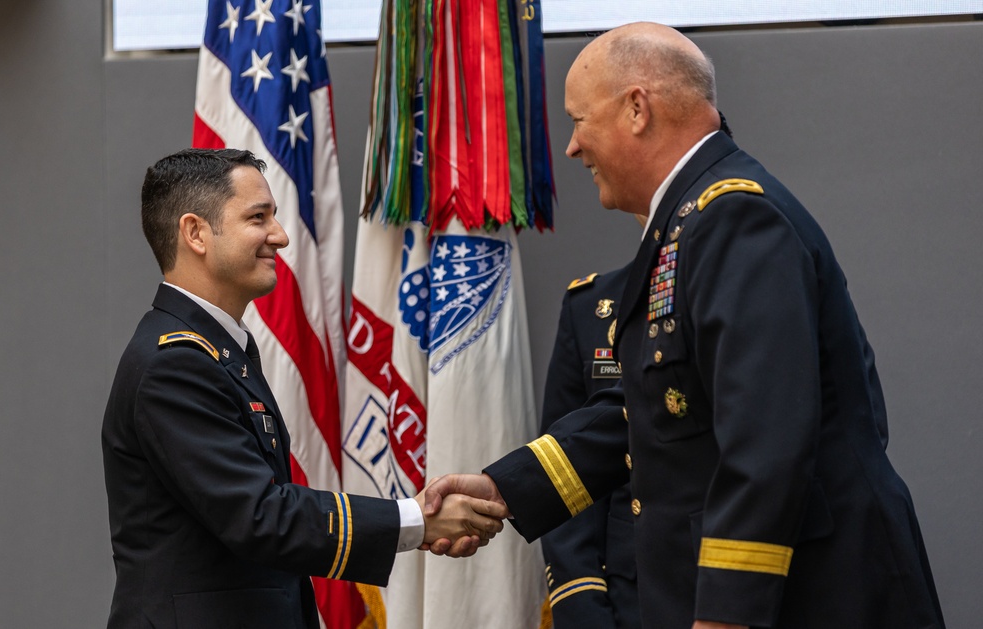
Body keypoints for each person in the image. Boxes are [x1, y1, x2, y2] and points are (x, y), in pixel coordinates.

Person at [427, 22, 946, 629]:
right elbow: (653, 404)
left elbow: (766, 438)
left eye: (577, 119)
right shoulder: (690, 220)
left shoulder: (733, 218)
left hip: (814, 598)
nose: (572, 147)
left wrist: (726, 615)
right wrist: (506, 488)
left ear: (637, 109)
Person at [101, 148, 505, 629]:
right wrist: (415, 520)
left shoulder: (215, 350)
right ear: (195, 233)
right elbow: (258, 516)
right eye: (258, 217)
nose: (281, 236)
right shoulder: (176, 364)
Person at [539, 262, 639, 629]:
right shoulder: (592, 304)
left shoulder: (732, 288)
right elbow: (569, 463)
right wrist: (582, 607)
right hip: (624, 600)